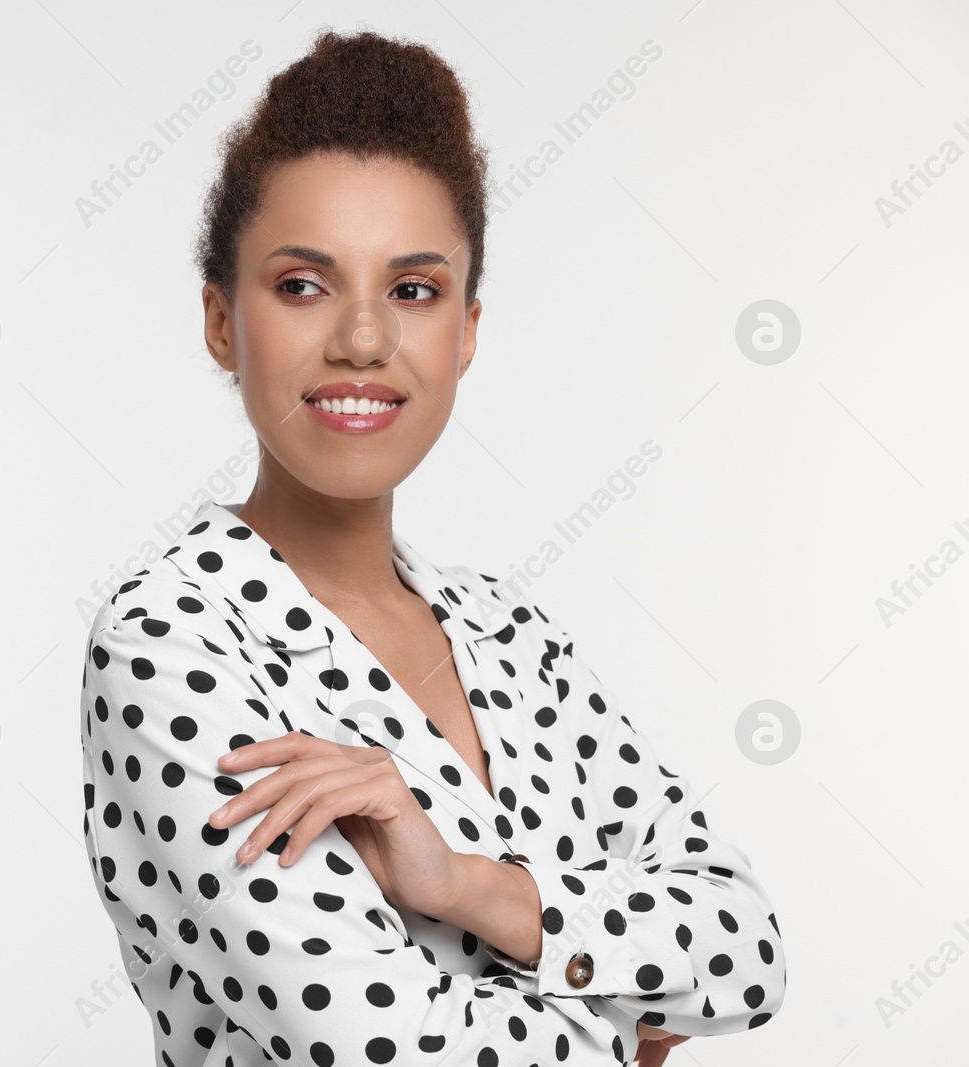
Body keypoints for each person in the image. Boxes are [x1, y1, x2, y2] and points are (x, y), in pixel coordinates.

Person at [79, 27, 786, 1067]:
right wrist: (618, 1002)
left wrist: (460, 885)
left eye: (412, 290)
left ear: (465, 330)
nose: (363, 338)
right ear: (222, 321)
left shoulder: (512, 631)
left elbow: (748, 947)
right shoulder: (173, 644)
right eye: (302, 284)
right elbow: (389, 1045)